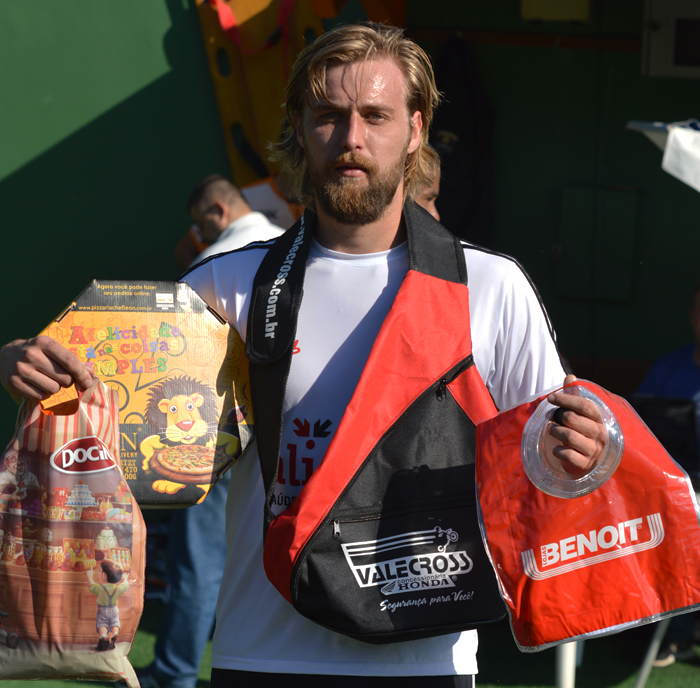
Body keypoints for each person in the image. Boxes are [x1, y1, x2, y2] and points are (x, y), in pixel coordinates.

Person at [0, 23, 605, 687]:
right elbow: (110, 421)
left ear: (415, 128)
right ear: (298, 126)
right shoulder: (224, 286)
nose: (352, 139)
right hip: (261, 653)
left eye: (375, 116)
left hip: (425, 655)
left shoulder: (489, 287)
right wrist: (24, 367)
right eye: (329, 116)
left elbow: (552, 471)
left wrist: (588, 449)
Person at [140, 175, 288, 688]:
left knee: (198, 562)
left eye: (201, 223)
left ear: (217, 212)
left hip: (213, 436)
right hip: (286, 436)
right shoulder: (296, 246)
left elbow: (176, 364)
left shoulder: (211, 265)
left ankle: (176, 672)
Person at [639, 285, 700, 667]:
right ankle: (664, 632)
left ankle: (679, 635)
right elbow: (637, 428)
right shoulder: (668, 368)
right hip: (672, 482)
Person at [174, 174, 294, 270]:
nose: (202, 236)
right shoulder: (295, 245)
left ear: (219, 210)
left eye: (201, 225)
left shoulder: (207, 265)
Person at [85, 559, 129, 651]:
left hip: (103, 610)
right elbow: (125, 585)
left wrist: (89, 576)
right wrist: (125, 578)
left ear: (104, 575)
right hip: (114, 610)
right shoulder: (118, 589)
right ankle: (115, 633)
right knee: (114, 622)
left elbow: (91, 585)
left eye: (101, 572)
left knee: (102, 624)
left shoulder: (100, 589)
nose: (100, 573)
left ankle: (103, 636)